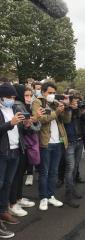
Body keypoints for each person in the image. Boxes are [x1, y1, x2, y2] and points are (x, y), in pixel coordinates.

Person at [32, 81, 71, 211]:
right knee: (44, 171)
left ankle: (51, 195)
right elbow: (41, 119)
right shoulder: (37, 102)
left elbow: (66, 120)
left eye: (54, 93)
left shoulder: (55, 103)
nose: (52, 95)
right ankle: (43, 197)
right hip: (46, 142)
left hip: (58, 142)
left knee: (54, 172)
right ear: (43, 92)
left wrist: (66, 109)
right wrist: (57, 113)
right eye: (50, 93)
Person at [0, 82, 29, 238]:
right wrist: (9, 124)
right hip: (2, 153)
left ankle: (3, 211)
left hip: (15, 150)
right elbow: (4, 128)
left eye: (13, 96)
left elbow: (18, 129)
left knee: (7, 184)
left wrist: (25, 123)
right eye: (9, 97)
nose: (12, 99)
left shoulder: (11, 108)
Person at [9, 85, 40, 218]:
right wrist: (31, 122)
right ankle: (13, 203)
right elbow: (20, 128)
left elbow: (31, 128)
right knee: (15, 176)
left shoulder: (25, 106)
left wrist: (32, 121)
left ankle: (18, 198)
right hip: (16, 145)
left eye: (30, 95)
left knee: (20, 174)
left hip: (22, 144)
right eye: (26, 95)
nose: (28, 98)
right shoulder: (17, 105)